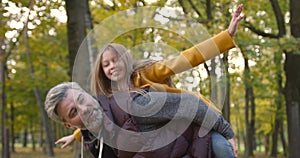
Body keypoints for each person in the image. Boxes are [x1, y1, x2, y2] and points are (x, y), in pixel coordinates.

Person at [56, 4, 243, 157]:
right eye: (106, 64)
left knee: (222, 148)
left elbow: (187, 59)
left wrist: (225, 38)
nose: (112, 66)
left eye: (116, 60)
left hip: (193, 119)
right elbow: (102, 120)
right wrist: (77, 135)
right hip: (169, 143)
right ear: (102, 71)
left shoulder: (145, 75)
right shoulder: (111, 98)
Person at [45, 82, 236, 158]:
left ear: (87, 94)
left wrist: (227, 133)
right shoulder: (95, 143)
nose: (84, 109)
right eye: (73, 112)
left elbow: (190, 103)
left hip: (204, 144)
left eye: (81, 99)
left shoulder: (135, 107)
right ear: (69, 124)